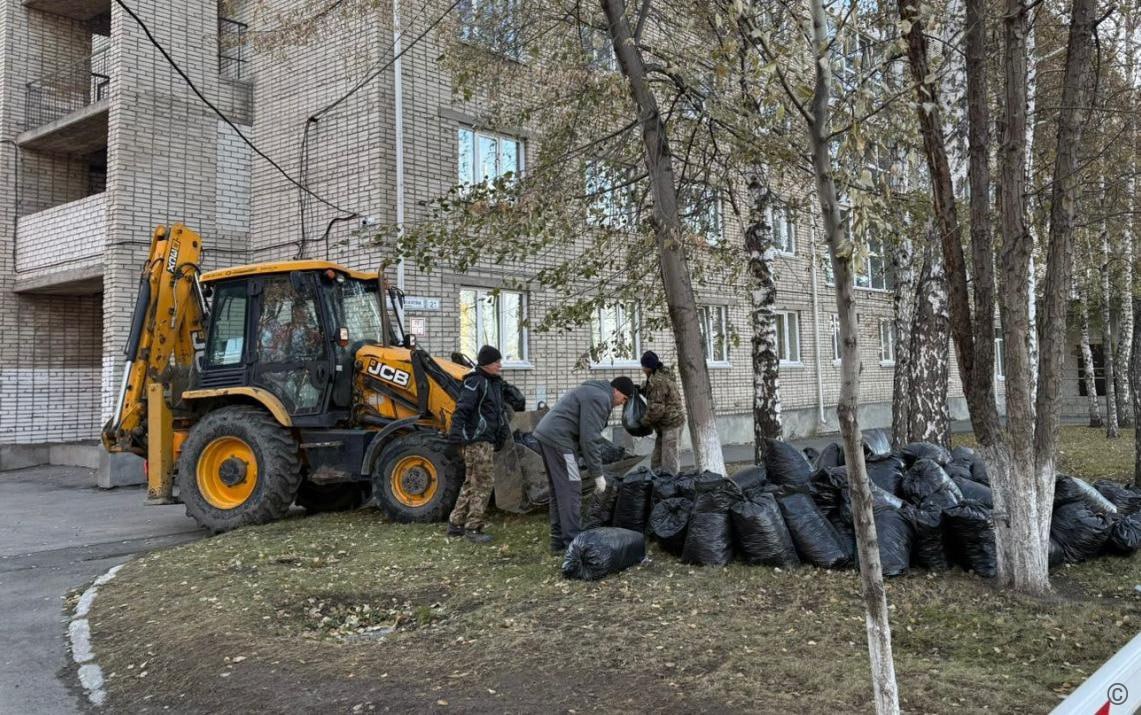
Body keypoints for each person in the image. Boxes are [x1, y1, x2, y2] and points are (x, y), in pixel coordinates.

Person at [533, 376, 634, 554]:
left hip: (549, 436)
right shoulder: (600, 398)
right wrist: (598, 474)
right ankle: (573, 545)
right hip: (559, 441)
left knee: (559, 491)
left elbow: (585, 434)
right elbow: (589, 439)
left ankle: (558, 543)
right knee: (572, 489)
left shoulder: (595, 391)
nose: (622, 403)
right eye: (624, 398)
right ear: (616, 390)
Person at [446, 345, 510, 544]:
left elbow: (496, 414)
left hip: (486, 440)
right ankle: (473, 528)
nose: (500, 365)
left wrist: (499, 436)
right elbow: (462, 410)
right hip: (478, 441)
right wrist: (456, 436)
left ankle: (456, 523)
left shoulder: (493, 383)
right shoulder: (476, 383)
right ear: (486, 364)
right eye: (496, 362)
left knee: (471, 482)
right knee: (483, 483)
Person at [640, 350, 685, 475]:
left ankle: (671, 487)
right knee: (657, 459)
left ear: (648, 367)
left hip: (672, 424)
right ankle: (658, 484)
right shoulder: (659, 374)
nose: (642, 369)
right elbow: (657, 395)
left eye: (643, 366)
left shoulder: (658, 381)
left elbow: (657, 409)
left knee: (669, 460)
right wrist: (642, 389)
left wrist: (644, 422)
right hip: (663, 425)